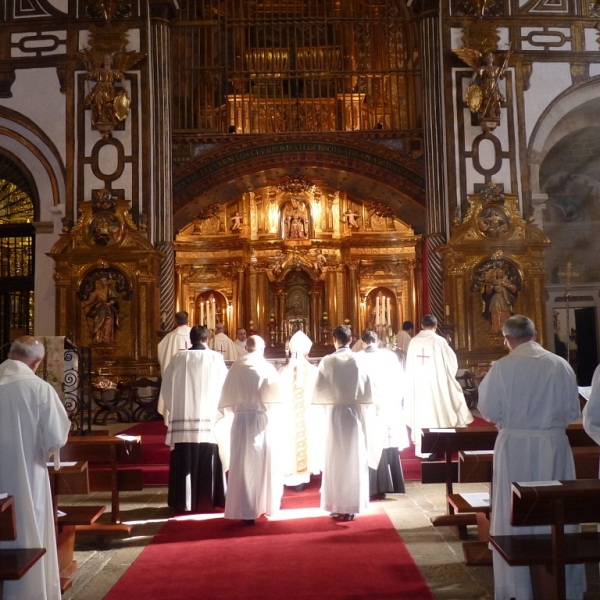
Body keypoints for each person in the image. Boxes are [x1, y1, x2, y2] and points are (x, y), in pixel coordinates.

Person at [478, 315, 585, 600]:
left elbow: (489, 411)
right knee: (557, 509)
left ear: (507, 338)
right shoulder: (559, 364)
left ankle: (519, 587)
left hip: (515, 448)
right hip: (553, 446)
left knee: (515, 510)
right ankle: (563, 584)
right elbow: (572, 411)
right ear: (535, 334)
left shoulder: (502, 367)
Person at [0, 336, 71, 600]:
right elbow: (56, 437)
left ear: (10, 354)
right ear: (37, 361)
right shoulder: (39, 389)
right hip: (26, 476)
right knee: (27, 529)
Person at [216, 336, 283, 525]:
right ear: (261, 349)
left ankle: (246, 509)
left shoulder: (236, 368)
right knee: (261, 462)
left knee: (243, 463)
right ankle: (262, 504)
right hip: (261, 419)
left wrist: (239, 411)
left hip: (241, 421)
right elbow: (276, 400)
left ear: (246, 348)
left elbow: (227, 401)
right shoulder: (266, 368)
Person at [161, 325, 228, 513]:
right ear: (207, 340)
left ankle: (183, 501)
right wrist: (220, 412)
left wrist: (176, 409)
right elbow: (225, 387)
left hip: (182, 419)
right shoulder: (216, 358)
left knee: (184, 456)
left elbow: (166, 388)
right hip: (209, 419)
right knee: (209, 455)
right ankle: (210, 499)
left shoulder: (178, 359)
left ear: (191, 340)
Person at [312, 324, 375, 521]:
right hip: (355, 412)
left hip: (335, 413)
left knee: (335, 458)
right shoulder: (359, 359)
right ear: (350, 339)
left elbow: (320, 389)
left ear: (334, 339)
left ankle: (336, 504)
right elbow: (368, 387)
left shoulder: (328, 361)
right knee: (354, 457)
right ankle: (352, 505)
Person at [404, 314, 473, 458]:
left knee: (422, 413)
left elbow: (409, 366)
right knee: (439, 411)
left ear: (422, 326)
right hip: (437, 386)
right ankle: (439, 446)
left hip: (419, 386)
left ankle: (424, 449)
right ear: (435, 326)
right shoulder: (439, 341)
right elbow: (451, 363)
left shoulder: (414, 341)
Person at [360, 330, 408, 499]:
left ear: (363, 342)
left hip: (368, 411)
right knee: (388, 446)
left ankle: (371, 486)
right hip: (388, 409)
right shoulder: (389, 357)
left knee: (369, 446)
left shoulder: (357, 358)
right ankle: (391, 483)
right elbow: (402, 383)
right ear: (378, 342)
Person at [278, 330, 323, 491]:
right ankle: (303, 475)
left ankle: (291, 474)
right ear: (307, 351)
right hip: (307, 416)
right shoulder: (313, 370)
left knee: (290, 440)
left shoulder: (283, 371)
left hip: (290, 417)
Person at [157, 311, 192, 425]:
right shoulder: (195, 333)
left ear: (175, 322)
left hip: (176, 375)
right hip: (193, 375)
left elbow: (162, 352)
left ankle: (173, 421)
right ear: (188, 320)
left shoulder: (171, 336)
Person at [82, 275, 120, 343]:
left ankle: (106, 338)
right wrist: (85, 304)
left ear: (107, 282)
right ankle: (97, 338)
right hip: (99, 309)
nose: (103, 282)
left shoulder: (109, 290)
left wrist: (109, 303)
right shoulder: (98, 292)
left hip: (108, 309)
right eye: (101, 281)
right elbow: (92, 300)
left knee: (107, 323)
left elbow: (114, 299)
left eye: (104, 281)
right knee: (97, 322)